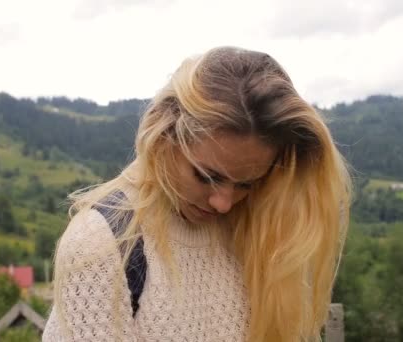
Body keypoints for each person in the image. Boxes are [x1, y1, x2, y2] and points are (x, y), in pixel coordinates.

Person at [42, 46, 352, 342]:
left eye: (247, 183)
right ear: (164, 136)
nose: (223, 203)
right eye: (206, 176)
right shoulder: (101, 246)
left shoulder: (259, 230)